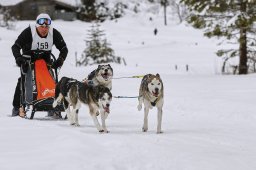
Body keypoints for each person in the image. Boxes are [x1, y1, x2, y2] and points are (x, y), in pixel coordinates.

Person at [11, 13, 68, 117]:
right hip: (28, 60)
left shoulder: (54, 33)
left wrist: (60, 60)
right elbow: (15, 47)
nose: (44, 29)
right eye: (41, 26)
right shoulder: (29, 32)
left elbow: (64, 49)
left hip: (45, 60)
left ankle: (52, 106)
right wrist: (19, 58)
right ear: (37, 25)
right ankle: (17, 108)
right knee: (23, 81)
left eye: (46, 26)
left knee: (49, 80)